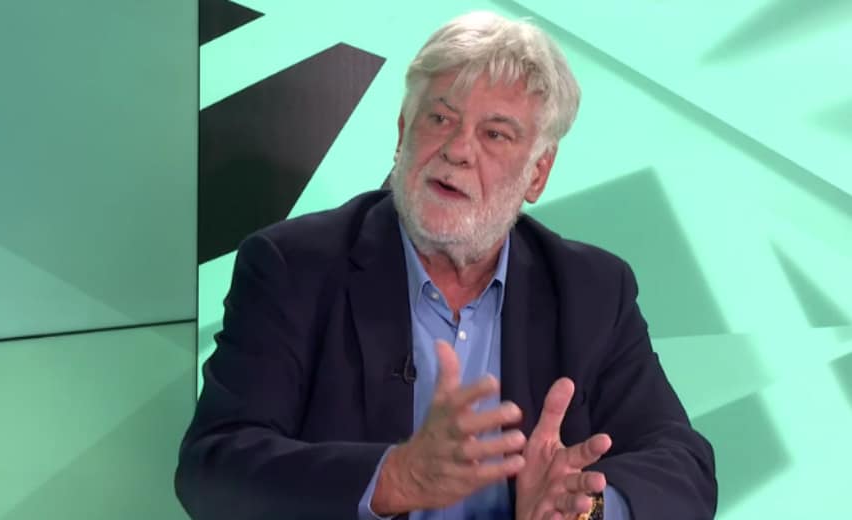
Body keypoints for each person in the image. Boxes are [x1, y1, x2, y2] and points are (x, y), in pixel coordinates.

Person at [175, 11, 717, 520]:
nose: (458, 150)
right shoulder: (293, 268)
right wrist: (392, 479)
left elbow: (684, 467)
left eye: (495, 134)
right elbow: (212, 468)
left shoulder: (591, 290)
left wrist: (582, 509)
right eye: (439, 118)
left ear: (538, 173)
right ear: (401, 133)